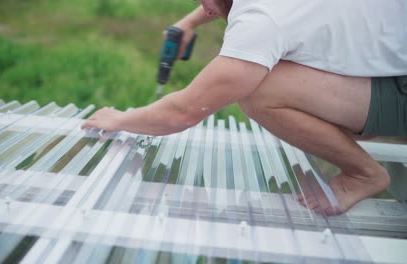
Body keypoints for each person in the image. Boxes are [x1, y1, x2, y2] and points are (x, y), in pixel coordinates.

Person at [82, 0, 407, 215]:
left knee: (258, 89)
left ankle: (362, 175)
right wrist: (189, 21)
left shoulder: (262, 22)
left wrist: (121, 118)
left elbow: (185, 111)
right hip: (393, 57)